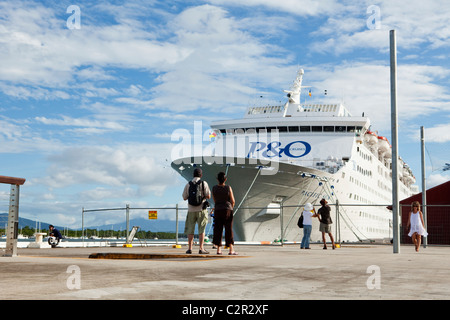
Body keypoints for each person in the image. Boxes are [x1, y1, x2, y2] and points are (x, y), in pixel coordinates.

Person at [182, 168, 211, 254]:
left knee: (190, 229)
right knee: (201, 229)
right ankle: (201, 248)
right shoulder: (203, 183)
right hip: (201, 209)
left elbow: (184, 197)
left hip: (191, 210)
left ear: (193, 175)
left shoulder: (188, 184)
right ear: (201, 175)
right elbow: (208, 196)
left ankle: (190, 248)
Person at [212, 172, 237, 255]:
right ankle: (231, 249)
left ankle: (218, 249)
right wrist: (230, 207)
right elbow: (233, 201)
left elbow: (215, 200)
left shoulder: (214, 188)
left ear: (217, 179)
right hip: (227, 209)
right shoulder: (228, 188)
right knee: (228, 229)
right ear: (225, 179)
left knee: (218, 229)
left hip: (218, 210)